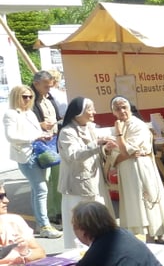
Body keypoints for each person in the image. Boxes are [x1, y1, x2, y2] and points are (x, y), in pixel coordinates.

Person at [110, 96, 164, 244]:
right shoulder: (120, 125)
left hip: (140, 169)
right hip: (128, 170)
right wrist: (119, 155)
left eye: (124, 107)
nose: (122, 111)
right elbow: (114, 153)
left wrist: (119, 142)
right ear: (113, 112)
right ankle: (147, 238)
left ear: (130, 107)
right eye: (117, 108)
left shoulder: (137, 125)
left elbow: (125, 151)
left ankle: (154, 237)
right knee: (136, 203)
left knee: (146, 201)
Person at [3, 85, 61, 238]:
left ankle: (42, 222)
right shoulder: (10, 114)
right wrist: (35, 137)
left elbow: (35, 132)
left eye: (30, 96)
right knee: (41, 188)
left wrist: (43, 134)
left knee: (39, 189)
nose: (28, 99)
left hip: (40, 154)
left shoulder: (30, 113)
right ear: (16, 97)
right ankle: (44, 225)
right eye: (24, 96)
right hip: (26, 156)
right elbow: (11, 137)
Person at [58, 97, 117, 246]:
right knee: (80, 219)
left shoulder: (90, 127)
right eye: (90, 109)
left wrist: (105, 148)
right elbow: (74, 155)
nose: (94, 112)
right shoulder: (67, 132)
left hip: (95, 179)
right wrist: (96, 143)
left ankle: (100, 245)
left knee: (97, 217)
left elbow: (96, 152)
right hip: (77, 184)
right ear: (78, 112)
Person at [31, 71, 63, 228]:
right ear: (36, 84)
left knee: (57, 177)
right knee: (46, 180)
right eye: (46, 86)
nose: (48, 89)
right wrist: (40, 125)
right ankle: (49, 214)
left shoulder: (49, 98)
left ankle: (58, 211)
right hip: (41, 144)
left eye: (50, 86)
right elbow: (26, 123)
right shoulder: (29, 99)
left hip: (54, 141)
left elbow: (56, 116)